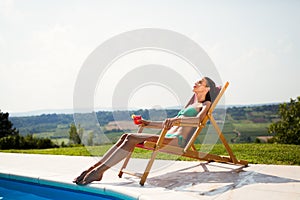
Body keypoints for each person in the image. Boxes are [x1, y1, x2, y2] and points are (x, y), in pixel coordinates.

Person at [73, 77, 218, 185]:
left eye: (200, 82)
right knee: (126, 136)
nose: (196, 83)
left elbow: (198, 121)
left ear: (207, 89)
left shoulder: (206, 103)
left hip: (176, 141)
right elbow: (168, 124)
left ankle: (98, 172)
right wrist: (147, 123)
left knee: (130, 138)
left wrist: (176, 120)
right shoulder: (191, 105)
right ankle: (93, 169)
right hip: (167, 135)